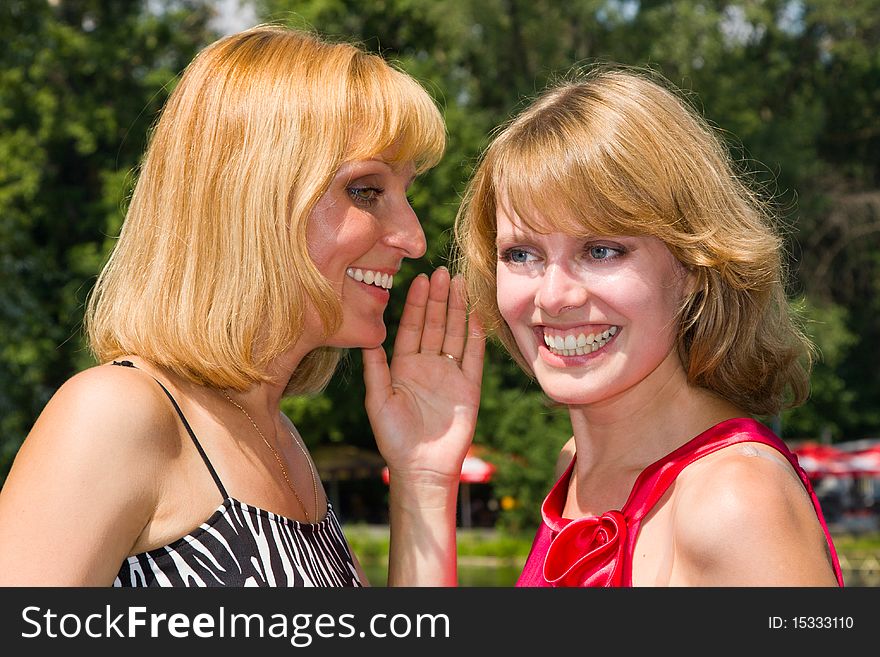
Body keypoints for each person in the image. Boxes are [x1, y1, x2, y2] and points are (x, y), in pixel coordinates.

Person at [0, 24, 484, 587]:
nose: (414, 238)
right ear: (254, 198)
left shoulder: (281, 441)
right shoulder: (117, 415)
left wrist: (423, 481)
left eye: (406, 194)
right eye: (366, 192)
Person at [453, 65, 843, 586]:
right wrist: (426, 482)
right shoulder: (576, 467)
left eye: (602, 250)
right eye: (521, 254)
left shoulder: (734, 502)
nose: (554, 296)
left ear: (692, 266)